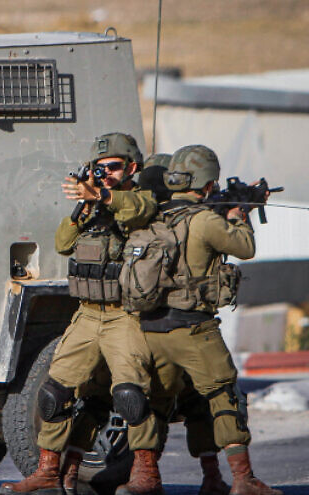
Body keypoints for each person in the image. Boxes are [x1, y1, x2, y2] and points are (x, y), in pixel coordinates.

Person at [0, 133, 159, 495]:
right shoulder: (94, 203)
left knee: (131, 396)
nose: (105, 173)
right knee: (53, 393)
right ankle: (48, 472)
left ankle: (146, 475)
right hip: (87, 314)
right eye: (99, 168)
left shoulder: (141, 199)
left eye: (113, 167)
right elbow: (63, 243)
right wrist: (84, 207)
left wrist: (102, 195)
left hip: (124, 316)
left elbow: (141, 210)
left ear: (132, 168)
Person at [62, 153, 229, 495]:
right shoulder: (153, 213)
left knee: (164, 401)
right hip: (152, 322)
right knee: (148, 400)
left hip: (157, 322)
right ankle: (154, 475)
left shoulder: (158, 213)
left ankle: (164, 476)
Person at [120, 145, 281, 495]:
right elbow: (244, 248)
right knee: (225, 397)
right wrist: (238, 214)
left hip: (152, 328)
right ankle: (243, 479)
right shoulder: (207, 219)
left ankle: (143, 478)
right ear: (208, 184)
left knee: (154, 404)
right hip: (195, 329)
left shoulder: (156, 215)